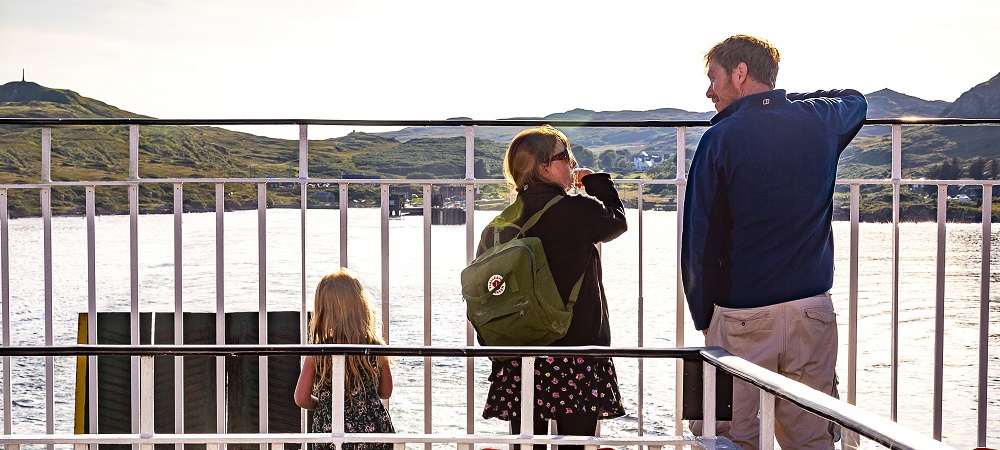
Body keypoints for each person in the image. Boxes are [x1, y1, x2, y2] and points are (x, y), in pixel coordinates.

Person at [681, 35, 867, 450]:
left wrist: (704, 318)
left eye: (713, 78)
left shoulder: (719, 139)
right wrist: (776, 101)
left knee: (733, 437)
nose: (708, 91)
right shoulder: (820, 121)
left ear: (740, 73)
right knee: (811, 437)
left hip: (742, 314)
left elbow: (699, 241)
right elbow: (855, 100)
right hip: (812, 312)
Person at [478, 125, 628, 450]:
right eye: (566, 157)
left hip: (520, 355)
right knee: (574, 443)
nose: (572, 163)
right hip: (574, 352)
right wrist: (595, 182)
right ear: (544, 167)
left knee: (527, 444)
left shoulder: (501, 224)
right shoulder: (576, 210)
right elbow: (617, 221)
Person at [294, 268, 395, 450]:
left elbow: (301, 398)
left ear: (324, 311)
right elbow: (386, 392)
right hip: (372, 432)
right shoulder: (376, 347)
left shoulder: (319, 352)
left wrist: (323, 404)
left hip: (332, 430)